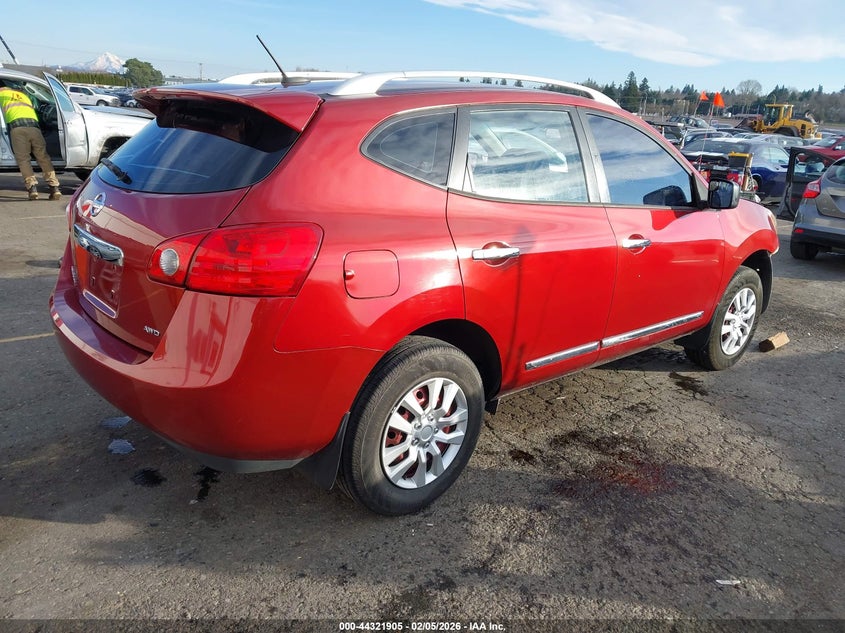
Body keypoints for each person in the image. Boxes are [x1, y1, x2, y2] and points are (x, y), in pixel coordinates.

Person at [0, 79, 61, 200]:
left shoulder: (1, 95)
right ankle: (54, 188)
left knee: (24, 159)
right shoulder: (24, 95)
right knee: (43, 158)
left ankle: (32, 188)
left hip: (17, 128)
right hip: (34, 128)